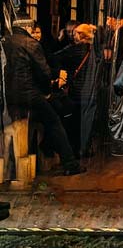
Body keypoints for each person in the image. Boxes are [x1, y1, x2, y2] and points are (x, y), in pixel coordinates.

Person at [2, 17, 85, 176]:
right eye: (32, 28)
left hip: (9, 95)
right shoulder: (31, 43)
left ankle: (13, 168)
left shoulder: (5, 41)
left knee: (23, 124)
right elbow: (44, 73)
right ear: (27, 27)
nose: (34, 31)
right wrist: (47, 91)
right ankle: (69, 163)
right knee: (54, 121)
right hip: (30, 95)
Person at [51, 23, 97, 158]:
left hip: (77, 92)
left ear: (80, 35)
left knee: (74, 124)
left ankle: (76, 151)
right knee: (87, 123)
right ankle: (85, 148)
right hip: (91, 92)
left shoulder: (75, 50)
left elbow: (54, 56)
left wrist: (59, 40)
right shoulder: (92, 49)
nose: (72, 35)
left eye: (75, 33)